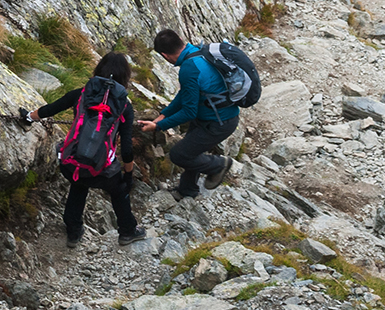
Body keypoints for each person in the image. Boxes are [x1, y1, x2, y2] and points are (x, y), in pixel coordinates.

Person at [22, 52, 146, 250]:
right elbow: (127, 149)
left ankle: (73, 231)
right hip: (101, 169)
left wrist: (28, 116)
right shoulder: (124, 106)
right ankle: (128, 231)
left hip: (70, 161)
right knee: (119, 189)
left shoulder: (81, 94)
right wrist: (128, 174)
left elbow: (51, 109)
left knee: (79, 180)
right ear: (125, 76)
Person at [140, 29, 238, 200]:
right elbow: (186, 94)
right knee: (191, 148)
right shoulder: (198, 51)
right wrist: (164, 114)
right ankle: (187, 190)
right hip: (218, 115)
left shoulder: (188, 68)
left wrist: (159, 126)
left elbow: (189, 111)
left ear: (164, 55)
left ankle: (219, 165)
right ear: (180, 39)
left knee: (180, 154)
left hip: (217, 122)